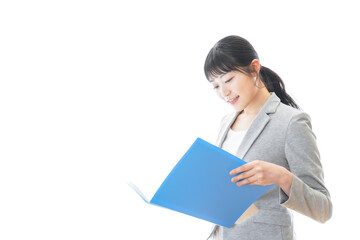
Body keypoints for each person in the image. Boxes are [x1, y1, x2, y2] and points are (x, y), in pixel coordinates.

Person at [204, 35, 332, 240]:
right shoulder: (225, 122)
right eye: (216, 86)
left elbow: (323, 209)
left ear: (254, 69)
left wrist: (282, 177)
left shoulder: (292, 122)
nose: (224, 92)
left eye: (228, 79)